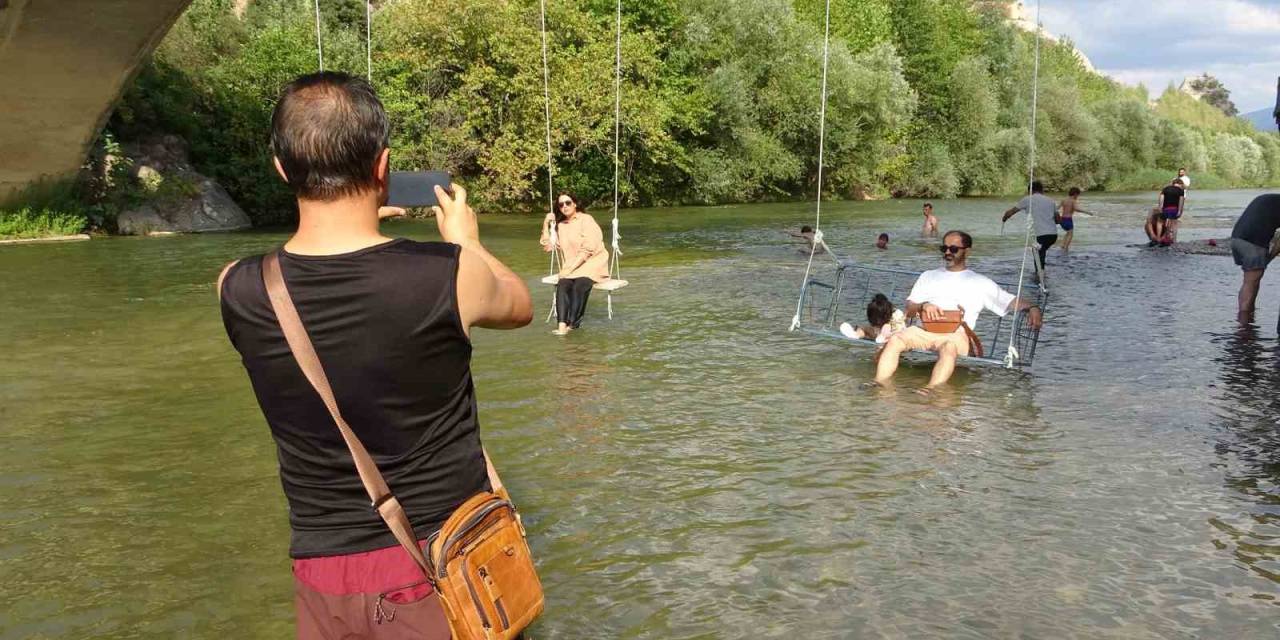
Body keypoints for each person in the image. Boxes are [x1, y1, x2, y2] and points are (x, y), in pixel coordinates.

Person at [216, 72, 533, 639]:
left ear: (282, 170)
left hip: (321, 574)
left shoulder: (237, 288)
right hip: (439, 569)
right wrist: (466, 240)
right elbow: (519, 306)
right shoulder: (446, 274)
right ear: (383, 167)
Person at [875, 231, 1043, 388]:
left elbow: (1010, 301)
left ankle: (931, 390)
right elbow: (910, 309)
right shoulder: (928, 275)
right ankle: (879, 384)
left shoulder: (980, 282)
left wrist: (1033, 307)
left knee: (948, 346)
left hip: (956, 335)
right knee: (895, 340)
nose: (948, 252)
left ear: (967, 251)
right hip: (924, 330)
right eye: (944, 248)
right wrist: (923, 305)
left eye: (953, 248)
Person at [540, 191, 610, 335]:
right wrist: (546, 223)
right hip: (572, 266)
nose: (564, 207)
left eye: (568, 203)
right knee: (563, 284)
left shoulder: (586, 220)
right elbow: (548, 247)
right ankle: (561, 326)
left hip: (592, 263)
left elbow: (588, 249)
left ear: (575, 204)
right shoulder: (561, 225)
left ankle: (572, 325)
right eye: (561, 205)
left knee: (580, 284)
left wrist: (570, 268)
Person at [1230, 193, 1280, 324]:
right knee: (1251, 283)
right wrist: (1269, 258)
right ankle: (1245, 326)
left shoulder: (1269, 198)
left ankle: (1246, 318)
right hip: (1254, 243)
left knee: (1250, 282)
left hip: (1236, 238)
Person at [1001, 180, 1060, 271]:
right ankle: (1041, 274)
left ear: (1030, 191)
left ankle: (1040, 277)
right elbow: (1058, 220)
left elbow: (1011, 212)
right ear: (1042, 190)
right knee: (1040, 252)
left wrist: (1004, 219)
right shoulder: (1051, 201)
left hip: (1040, 234)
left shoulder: (1028, 199)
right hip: (1052, 235)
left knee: (1038, 253)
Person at [839, 293, 903, 342]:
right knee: (864, 328)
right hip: (879, 335)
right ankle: (855, 335)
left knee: (886, 326)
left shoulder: (897, 314)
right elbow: (874, 326)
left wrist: (887, 335)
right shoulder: (879, 316)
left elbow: (900, 331)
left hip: (894, 337)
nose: (877, 320)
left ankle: (883, 337)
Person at [1151, 178, 1186, 245]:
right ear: (1180, 184)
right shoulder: (1181, 191)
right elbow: (1181, 202)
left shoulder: (1165, 189)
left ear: (1173, 183)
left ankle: (1158, 238)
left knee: (1160, 222)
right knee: (1174, 224)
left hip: (1165, 209)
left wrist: (1160, 207)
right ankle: (1174, 240)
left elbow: (1161, 199)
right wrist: (1179, 211)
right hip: (1174, 209)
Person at [1058, 187, 1091, 255]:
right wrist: (1087, 212)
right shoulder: (1073, 201)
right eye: (1078, 195)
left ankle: (1062, 245)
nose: (1078, 197)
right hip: (1068, 220)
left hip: (1062, 219)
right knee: (1071, 234)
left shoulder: (1063, 200)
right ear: (1075, 194)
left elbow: (1057, 208)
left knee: (1068, 233)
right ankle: (1066, 248)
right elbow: (1076, 209)